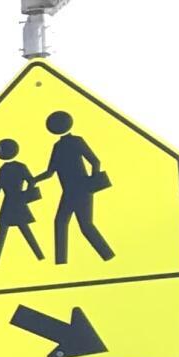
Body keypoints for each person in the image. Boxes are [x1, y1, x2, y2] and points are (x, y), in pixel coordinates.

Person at [43, 109, 113, 263]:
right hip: (68, 192)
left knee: (85, 226)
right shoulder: (58, 146)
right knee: (61, 222)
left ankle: (108, 257)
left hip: (81, 189)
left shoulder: (77, 141)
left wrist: (91, 184)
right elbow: (50, 172)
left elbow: (95, 161)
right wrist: (34, 180)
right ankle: (61, 263)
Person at [0, 137, 44, 267]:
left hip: (9, 203)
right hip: (16, 202)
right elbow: (31, 181)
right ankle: (39, 257)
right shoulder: (19, 167)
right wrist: (26, 195)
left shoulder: (4, 169)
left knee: (7, 232)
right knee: (21, 230)